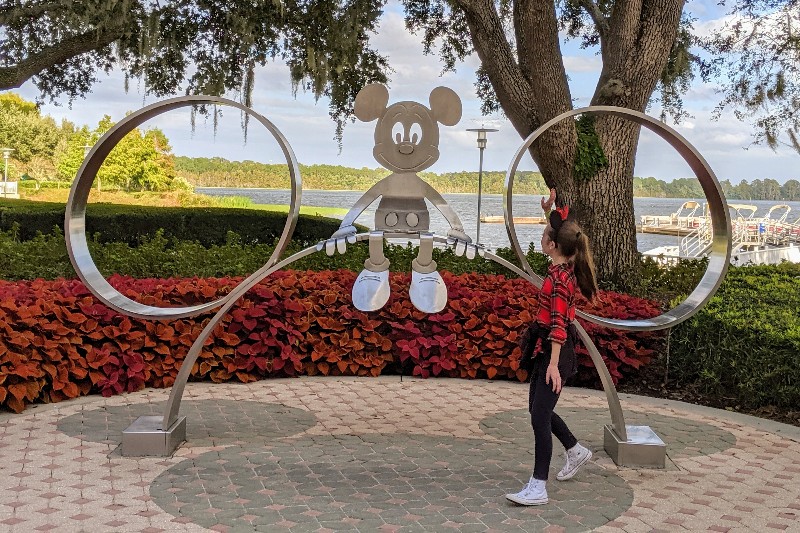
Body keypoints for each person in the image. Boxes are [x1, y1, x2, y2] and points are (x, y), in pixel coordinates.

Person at [506, 190, 599, 506]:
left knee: (538, 417)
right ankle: (575, 450)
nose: (542, 236)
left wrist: (552, 364)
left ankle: (538, 487)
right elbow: (563, 226)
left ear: (552, 246)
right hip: (550, 348)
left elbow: (559, 326)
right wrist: (552, 209)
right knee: (539, 411)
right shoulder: (566, 265)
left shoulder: (560, 280)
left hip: (555, 350)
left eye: (545, 234)